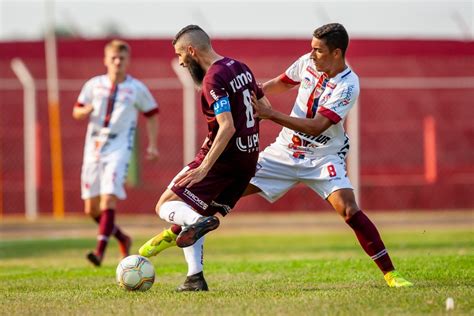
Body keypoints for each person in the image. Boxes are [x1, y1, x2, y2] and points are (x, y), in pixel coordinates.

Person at [245, 23, 413, 288]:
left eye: (318, 50)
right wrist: (255, 91)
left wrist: (271, 114)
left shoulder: (348, 85)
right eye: (311, 48)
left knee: (348, 209)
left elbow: (317, 126)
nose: (312, 55)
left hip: (323, 156)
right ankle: (163, 244)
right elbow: (282, 83)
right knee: (227, 191)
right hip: (285, 151)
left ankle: (391, 274)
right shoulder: (307, 62)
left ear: (337, 53)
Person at [139, 24, 264, 291]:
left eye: (180, 56)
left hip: (222, 158)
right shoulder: (241, 67)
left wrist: (205, 168)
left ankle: (197, 225)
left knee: (165, 205)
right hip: (248, 158)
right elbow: (263, 107)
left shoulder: (212, 78)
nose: (181, 63)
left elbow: (227, 125)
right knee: (189, 213)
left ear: (192, 51)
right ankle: (194, 278)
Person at [73, 39, 159, 267]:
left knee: (108, 198)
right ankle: (122, 237)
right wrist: (85, 111)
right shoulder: (93, 85)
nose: (117, 62)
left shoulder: (136, 88)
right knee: (91, 209)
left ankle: (99, 252)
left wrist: (152, 144)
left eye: (122, 58)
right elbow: (76, 110)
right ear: (106, 60)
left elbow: (152, 113)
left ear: (127, 61)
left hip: (119, 149)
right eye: (113, 58)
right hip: (93, 148)